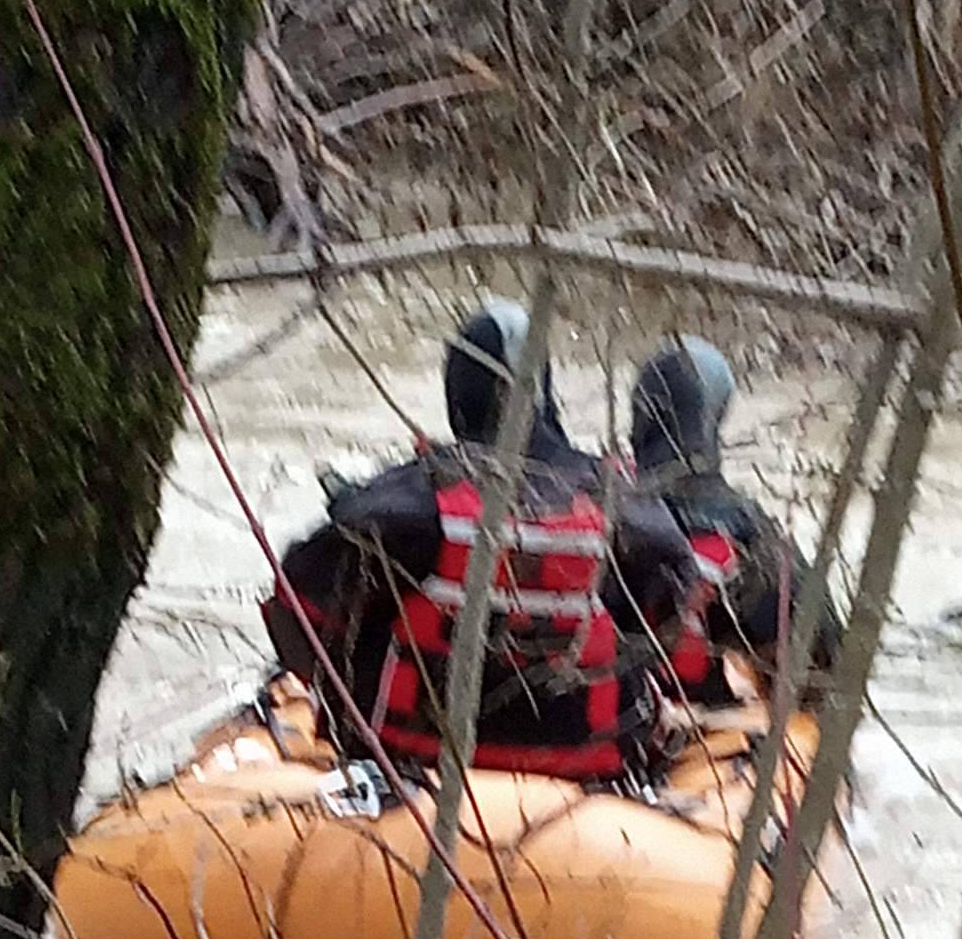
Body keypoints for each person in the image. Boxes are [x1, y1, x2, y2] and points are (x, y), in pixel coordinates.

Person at [262, 300, 695, 781]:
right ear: (546, 393)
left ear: (460, 395)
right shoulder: (627, 511)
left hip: (408, 772)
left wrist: (337, 696)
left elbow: (294, 607)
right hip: (587, 781)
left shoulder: (405, 503)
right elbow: (671, 620)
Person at [630, 336, 840, 710]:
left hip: (609, 724)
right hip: (708, 730)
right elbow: (824, 660)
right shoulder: (748, 533)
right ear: (714, 418)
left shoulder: (594, 503)